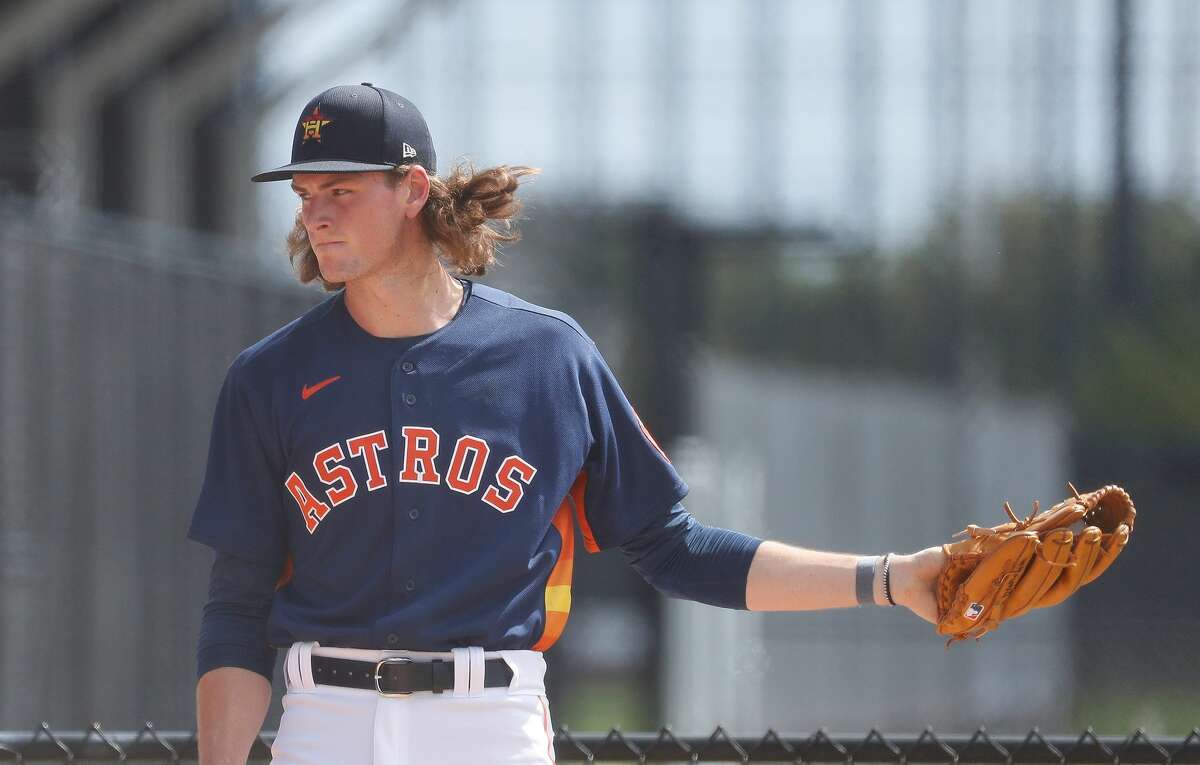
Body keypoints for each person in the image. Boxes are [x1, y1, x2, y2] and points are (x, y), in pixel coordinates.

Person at [188, 83, 946, 765]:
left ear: (412, 189)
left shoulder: (546, 357)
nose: (315, 213)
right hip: (327, 721)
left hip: (486, 725)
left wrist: (887, 578)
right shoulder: (270, 376)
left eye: (341, 190)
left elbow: (675, 548)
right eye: (305, 192)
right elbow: (238, 602)